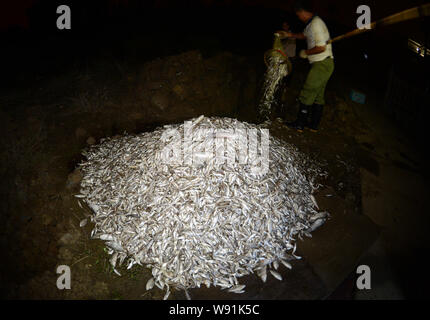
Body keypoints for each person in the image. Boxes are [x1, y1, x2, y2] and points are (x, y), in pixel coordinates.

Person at [277, 0, 334, 132]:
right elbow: (304, 36)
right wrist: (290, 34)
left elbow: (321, 47)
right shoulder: (310, 24)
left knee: (307, 91)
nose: (298, 18)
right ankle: (313, 125)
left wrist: (306, 52)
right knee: (318, 95)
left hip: (322, 63)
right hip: (324, 63)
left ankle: (300, 124)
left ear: (301, 12)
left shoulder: (316, 24)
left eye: (298, 15)